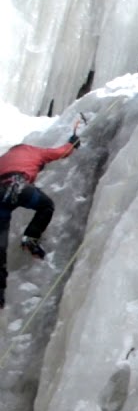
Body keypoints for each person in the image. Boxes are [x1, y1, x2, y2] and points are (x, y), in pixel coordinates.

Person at [0, 128, 81, 310]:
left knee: (0, 247)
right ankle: (30, 237)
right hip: (19, 186)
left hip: (1, 195)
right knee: (46, 206)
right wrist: (73, 142)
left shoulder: (3, 158)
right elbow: (63, 152)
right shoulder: (34, 151)